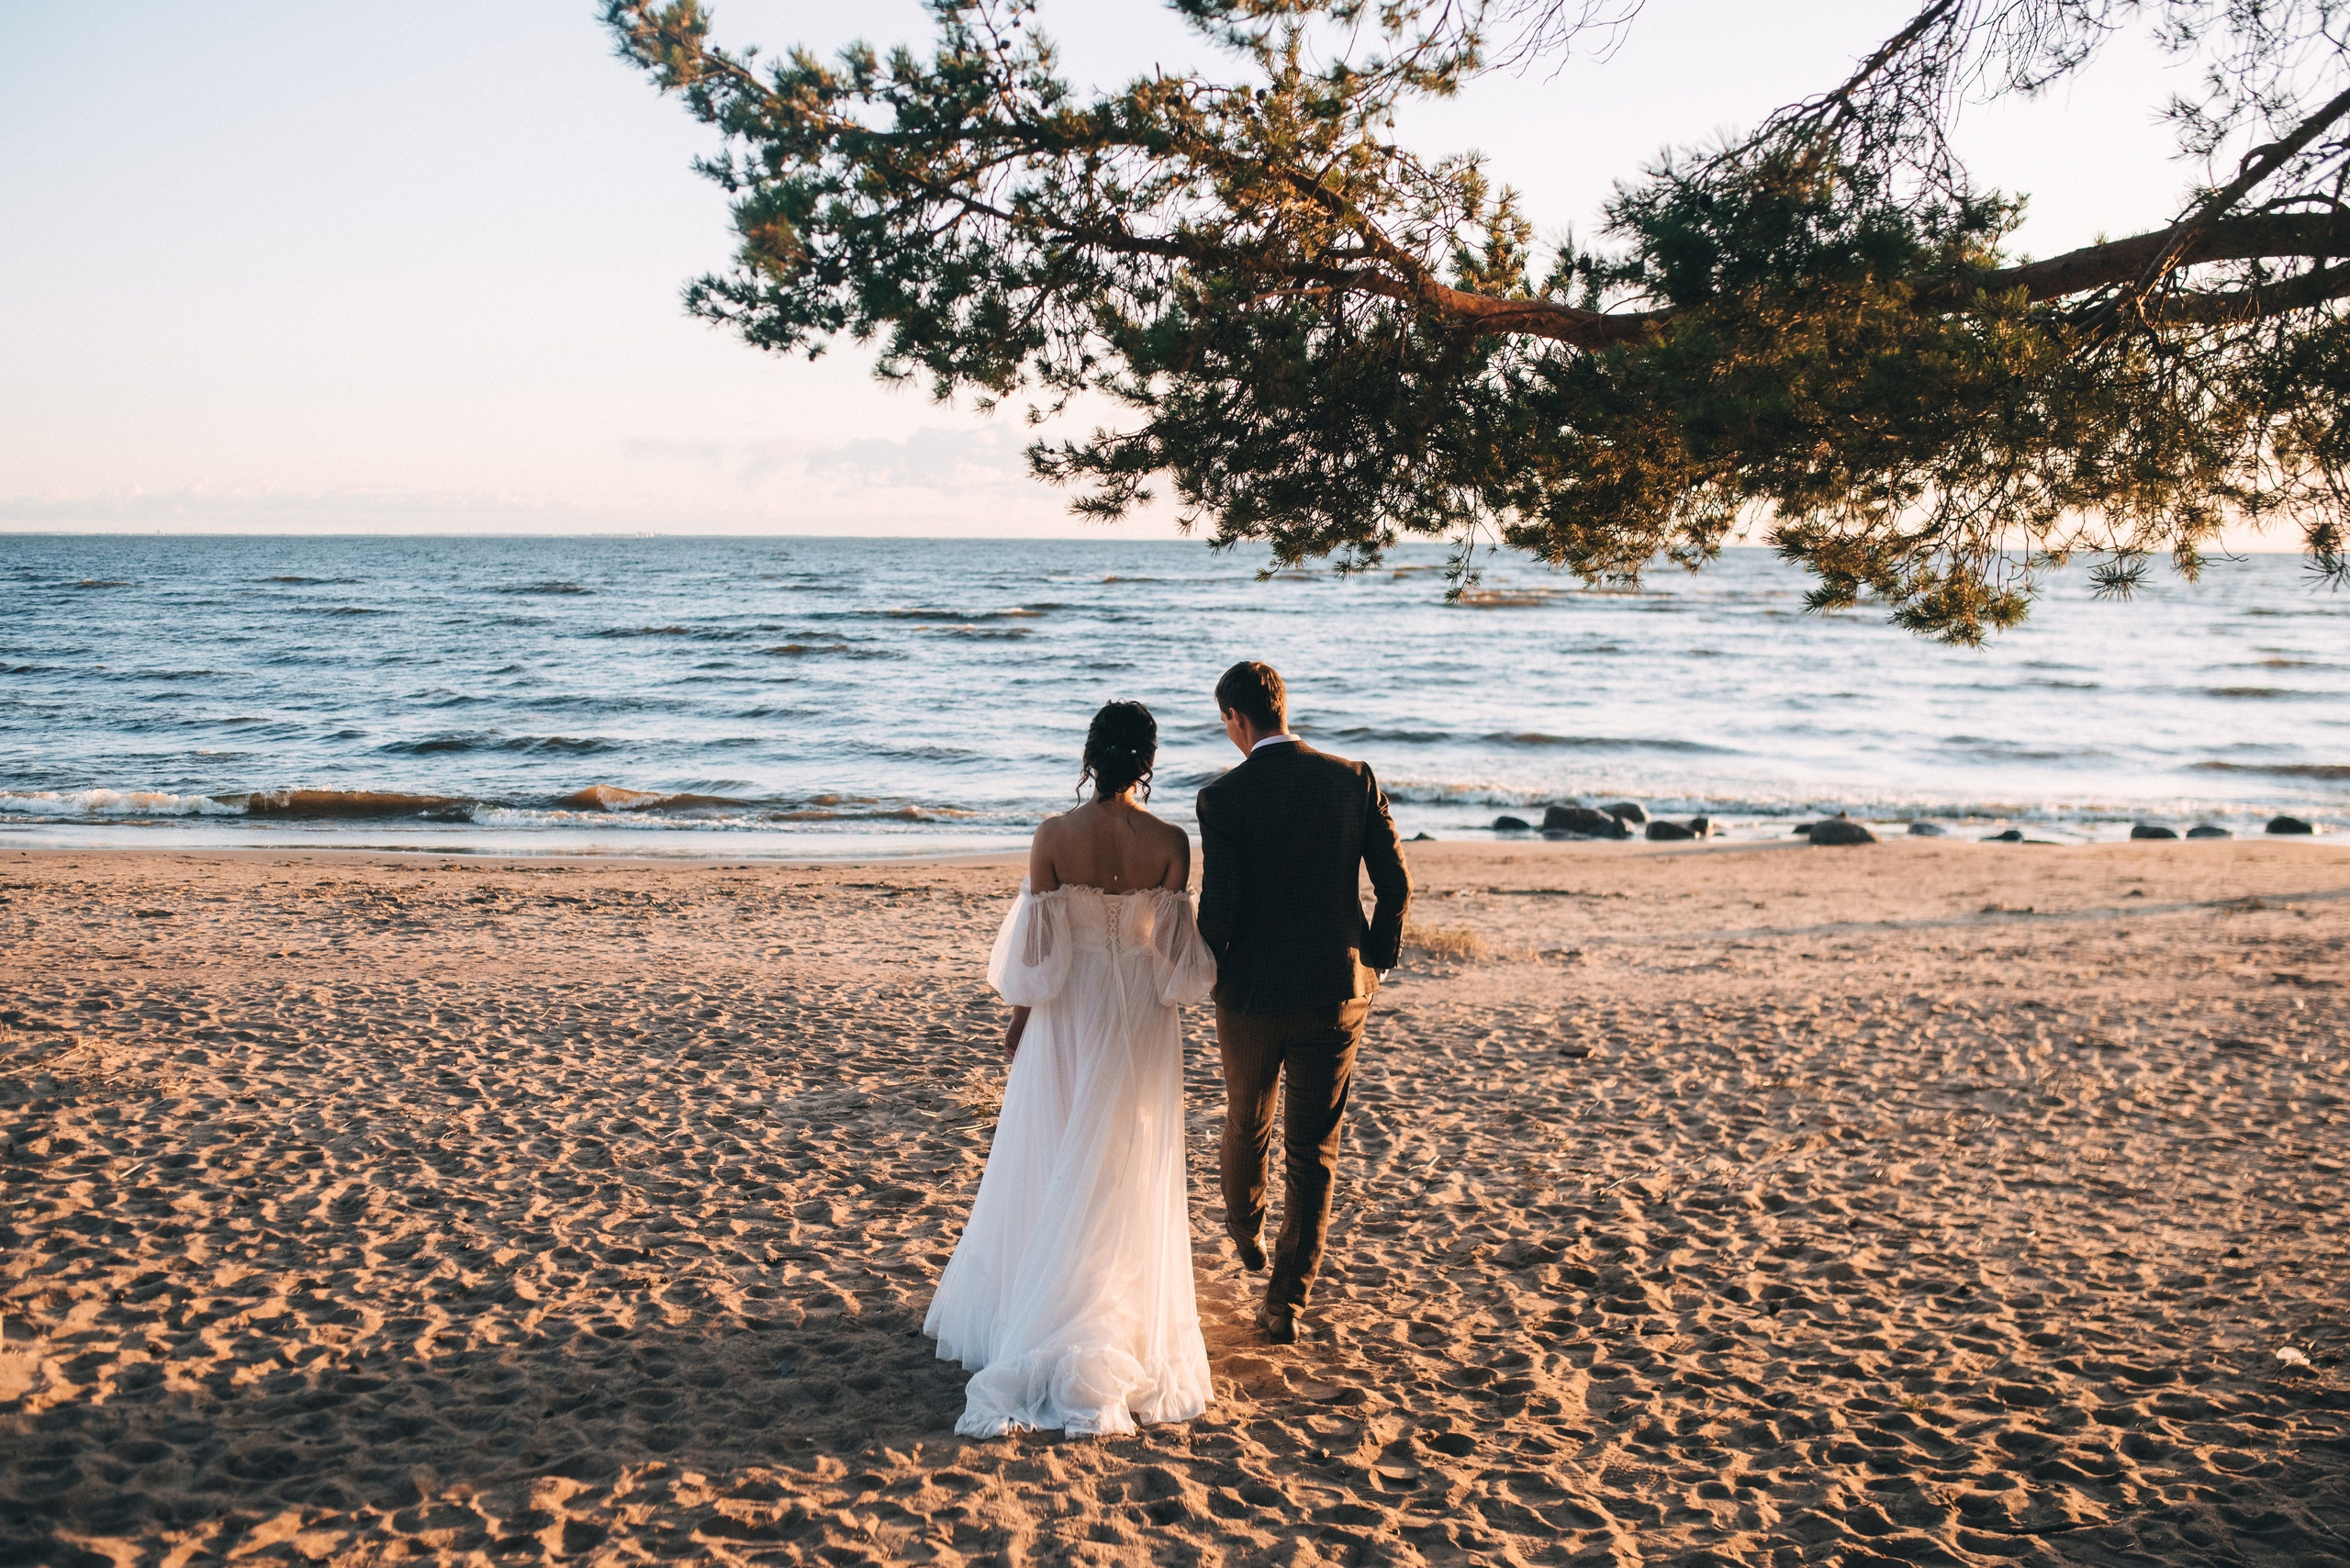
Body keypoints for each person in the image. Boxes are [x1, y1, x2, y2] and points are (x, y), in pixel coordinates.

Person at [923, 700, 1218, 1437]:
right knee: (1121, 1157)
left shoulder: (1053, 835)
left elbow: (1037, 955)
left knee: (1056, 1143)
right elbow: (1177, 964)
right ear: (1147, 763)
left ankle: (1046, 1299)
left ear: (1091, 755)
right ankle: (1106, 1298)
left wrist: (1021, 1020)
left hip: (1067, 1011)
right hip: (1140, 1020)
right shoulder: (1171, 841)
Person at [1196, 660, 1411, 1345]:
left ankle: (1245, 1225)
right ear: (1282, 707)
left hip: (1253, 994)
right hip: (1336, 990)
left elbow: (1220, 911)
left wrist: (1207, 967)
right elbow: (1396, 884)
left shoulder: (1222, 799)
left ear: (1236, 718)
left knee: (1246, 1121)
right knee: (1313, 1151)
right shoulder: (1353, 779)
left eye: (1224, 722)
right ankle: (1286, 1303)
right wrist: (1375, 954)